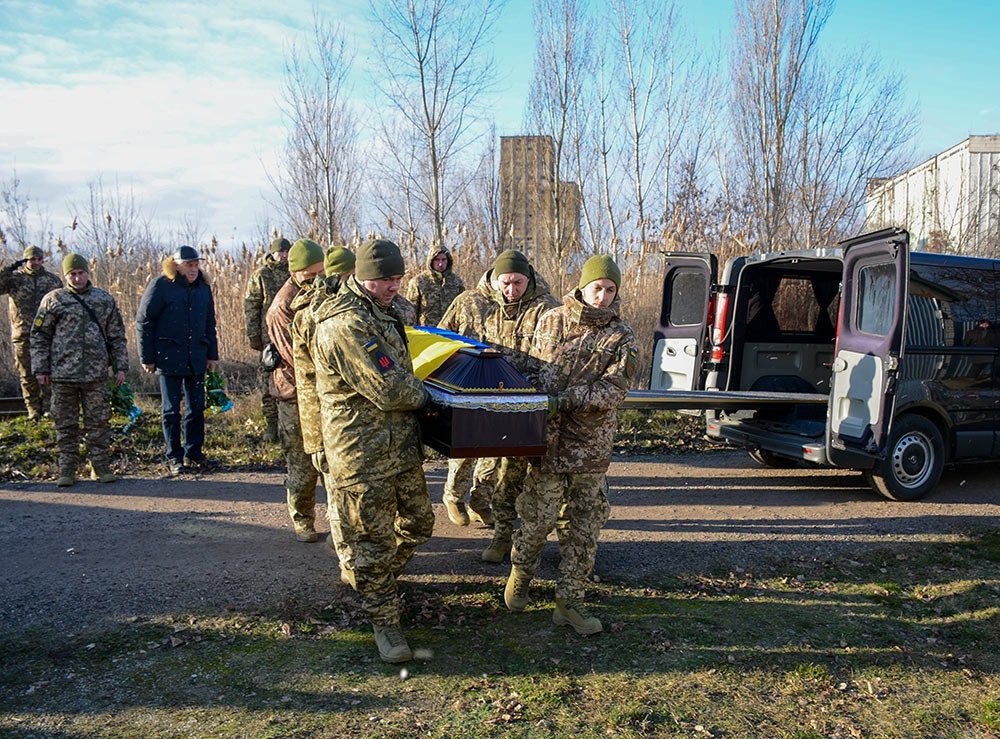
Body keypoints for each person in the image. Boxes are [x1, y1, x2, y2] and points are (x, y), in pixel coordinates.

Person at [312, 239, 433, 664]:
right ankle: (385, 622)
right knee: (374, 541)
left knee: (420, 523)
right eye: (384, 279)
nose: (393, 286)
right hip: (361, 453)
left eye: (398, 278)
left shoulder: (387, 311)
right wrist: (436, 396)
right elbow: (389, 386)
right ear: (360, 276)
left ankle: (369, 577)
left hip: (399, 445)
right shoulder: (344, 324)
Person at [504, 255, 638, 636]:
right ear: (582, 286)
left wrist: (566, 400)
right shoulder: (551, 319)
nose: (603, 297)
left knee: (584, 527)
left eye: (610, 290)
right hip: (545, 444)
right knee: (536, 519)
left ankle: (570, 602)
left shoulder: (622, 336)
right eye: (597, 288)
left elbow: (614, 389)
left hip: (589, 448)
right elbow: (528, 368)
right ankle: (520, 573)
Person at [438, 249, 558, 561]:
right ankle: (454, 496)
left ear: (528, 279)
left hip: (521, 403)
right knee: (467, 452)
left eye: (518, 283)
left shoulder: (545, 308)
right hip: (478, 395)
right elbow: (444, 337)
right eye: (505, 283)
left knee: (509, 472)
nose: (511, 290)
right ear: (493, 279)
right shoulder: (473, 302)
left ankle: (499, 528)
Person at [30, 254, 129, 486]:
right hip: (62, 374)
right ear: (66, 276)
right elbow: (39, 336)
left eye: (80, 273)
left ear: (87, 273)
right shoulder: (53, 300)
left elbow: (116, 335)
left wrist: (120, 366)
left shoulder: (103, 300)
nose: (77, 278)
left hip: (95, 374)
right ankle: (67, 469)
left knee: (99, 422)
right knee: (65, 424)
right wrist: (40, 368)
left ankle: (100, 465)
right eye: (72, 274)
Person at [293, 245, 356, 582]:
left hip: (368, 424)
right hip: (331, 420)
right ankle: (348, 565)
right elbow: (305, 381)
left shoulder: (369, 307)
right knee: (337, 493)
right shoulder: (309, 314)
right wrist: (315, 440)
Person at [136, 245, 219, 476]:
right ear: (176, 265)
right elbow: (144, 321)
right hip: (167, 357)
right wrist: (148, 357)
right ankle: (174, 456)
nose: (194, 269)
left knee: (196, 408)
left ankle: (194, 452)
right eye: (189, 265)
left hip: (196, 357)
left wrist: (212, 354)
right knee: (171, 410)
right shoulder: (161, 286)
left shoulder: (203, 288)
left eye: (196, 265)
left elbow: (209, 322)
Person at [265, 238, 325, 543]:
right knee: (301, 464)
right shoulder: (281, 307)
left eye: (321, 273)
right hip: (295, 395)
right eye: (311, 276)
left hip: (323, 392)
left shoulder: (322, 293)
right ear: (296, 273)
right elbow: (297, 356)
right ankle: (303, 518)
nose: (317, 280)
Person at [0, 245, 63, 419]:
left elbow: (62, 306)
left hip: (47, 335)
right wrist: (9, 269)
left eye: (39, 259)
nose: (36, 263)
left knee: (49, 372)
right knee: (26, 374)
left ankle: (50, 409)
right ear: (25, 260)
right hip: (22, 334)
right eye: (31, 259)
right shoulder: (14, 279)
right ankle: (33, 411)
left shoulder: (53, 281)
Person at [244, 237, 291, 442]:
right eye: (280, 252)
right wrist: (254, 336)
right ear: (272, 253)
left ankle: (288, 424)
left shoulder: (294, 273)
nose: (283, 255)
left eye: (286, 252)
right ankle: (271, 425)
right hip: (268, 338)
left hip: (290, 337)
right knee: (268, 380)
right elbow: (251, 306)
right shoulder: (262, 275)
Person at [404, 245, 465, 326]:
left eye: (443, 260)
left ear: (448, 260)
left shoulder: (456, 281)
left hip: (450, 332)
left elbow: (462, 308)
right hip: (427, 332)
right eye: (437, 260)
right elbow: (411, 311)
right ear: (431, 261)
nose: (440, 264)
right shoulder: (419, 282)